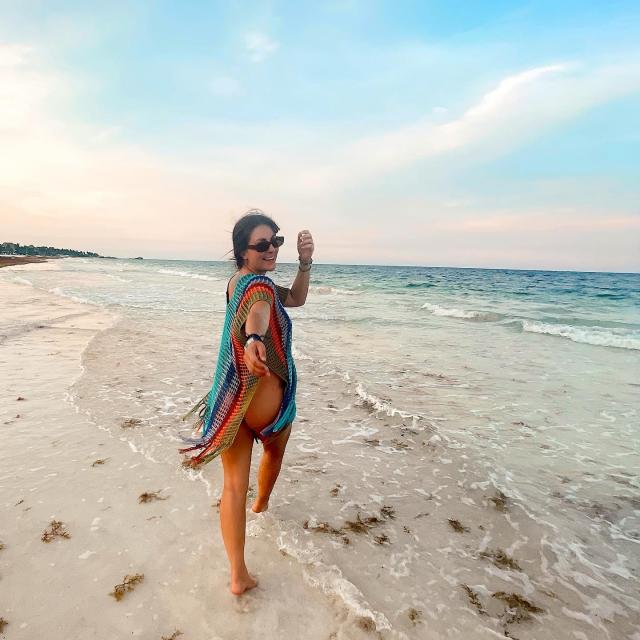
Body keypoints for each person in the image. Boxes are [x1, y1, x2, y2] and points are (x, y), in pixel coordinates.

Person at [180, 210, 314, 595]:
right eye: (262, 244)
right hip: (267, 405)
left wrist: (305, 264)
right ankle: (263, 507)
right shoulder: (257, 287)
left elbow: (296, 299)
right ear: (242, 251)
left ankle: (238, 575)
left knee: (233, 487)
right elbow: (258, 313)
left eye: (277, 241)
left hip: (234, 403)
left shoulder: (237, 283)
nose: (272, 249)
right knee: (273, 454)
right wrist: (255, 340)